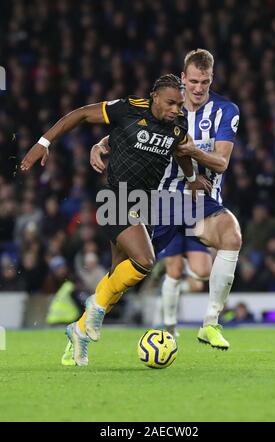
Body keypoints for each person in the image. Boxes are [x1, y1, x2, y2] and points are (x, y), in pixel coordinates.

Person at [21, 74, 212, 366]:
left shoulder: (177, 125)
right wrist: (44, 142)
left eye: (180, 103)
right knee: (145, 262)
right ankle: (92, 312)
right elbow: (81, 113)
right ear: (154, 97)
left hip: (144, 205)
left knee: (117, 281)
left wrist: (191, 178)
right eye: (171, 103)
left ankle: (79, 332)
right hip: (116, 197)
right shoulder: (129, 108)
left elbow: (183, 151)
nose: (176, 109)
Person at [92, 49, 241, 350]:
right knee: (126, 273)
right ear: (183, 79)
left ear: (212, 81)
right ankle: (87, 322)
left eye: (206, 82)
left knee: (231, 235)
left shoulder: (226, 111)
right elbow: (131, 129)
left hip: (198, 199)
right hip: (156, 200)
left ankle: (210, 323)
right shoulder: (166, 105)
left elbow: (222, 162)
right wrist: (100, 143)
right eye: (194, 81)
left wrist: (193, 152)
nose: (199, 89)